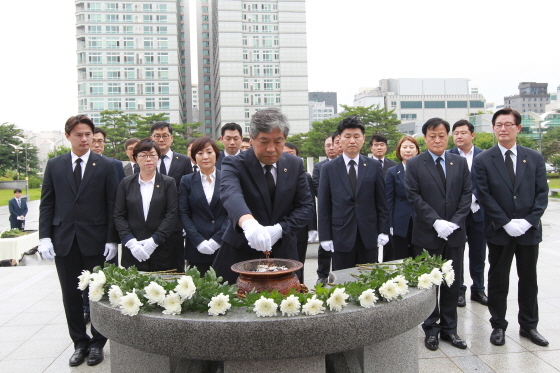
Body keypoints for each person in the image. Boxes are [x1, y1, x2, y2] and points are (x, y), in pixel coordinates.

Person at [39, 115, 119, 367]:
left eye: (88, 134)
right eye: (79, 135)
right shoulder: (55, 165)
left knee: (97, 293)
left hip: (96, 241)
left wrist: (111, 240)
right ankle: (79, 342)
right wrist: (44, 237)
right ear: (68, 137)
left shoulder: (105, 165)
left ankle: (97, 343)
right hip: (64, 241)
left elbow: (112, 206)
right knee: (71, 296)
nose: (85, 139)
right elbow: (47, 203)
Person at [212, 108, 314, 284]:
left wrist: (280, 230)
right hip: (241, 251)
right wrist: (249, 224)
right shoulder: (235, 163)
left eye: (278, 141)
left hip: (283, 252)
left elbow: (305, 207)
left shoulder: (295, 164)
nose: (271, 149)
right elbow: (231, 193)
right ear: (251, 139)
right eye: (264, 141)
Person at [474, 108, 549, 347]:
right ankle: (498, 325)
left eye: (508, 124)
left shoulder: (534, 157)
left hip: (528, 231)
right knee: (498, 280)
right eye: (498, 124)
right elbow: (484, 195)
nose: (503, 128)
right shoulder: (483, 159)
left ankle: (529, 326)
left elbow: (541, 194)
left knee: (528, 279)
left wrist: (528, 221)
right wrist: (505, 222)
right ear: (493, 128)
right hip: (499, 231)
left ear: (518, 128)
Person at [405, 117, 471, 351]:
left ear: (448, 136)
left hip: (453, 233)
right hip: (427, 234)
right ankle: (431, 329)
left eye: (442, 135)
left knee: (453, 283)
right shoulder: (415, 164)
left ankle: (450, 329)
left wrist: (453, 223)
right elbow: (413, 196)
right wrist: (435, 222)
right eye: (432, 136)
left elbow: (466, 195)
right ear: (425, 138)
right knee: (430, 283)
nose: (437, 139)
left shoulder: (459, 162)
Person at [318, 116, 390, 271]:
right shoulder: (329, 168)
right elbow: (324, 205)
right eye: (347, 136)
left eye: (356, 136)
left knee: (368, 282)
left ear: (363, 139)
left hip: (368, 233)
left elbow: (381, 201)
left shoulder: (373, 166)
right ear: (339, 139)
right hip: (340, 234)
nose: (352, 141)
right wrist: (325, 236)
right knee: (343, 283)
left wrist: (383, 230)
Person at [114, 138, 179, 271]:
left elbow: (171, 214)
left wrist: (154, 241)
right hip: (134, 250)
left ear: (158, 157)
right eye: (143, 155)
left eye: (152, 155)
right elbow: (119, 215)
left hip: (162, 250)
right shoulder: (126, 183)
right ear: (136, 158)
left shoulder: (168, 183)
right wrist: (130, 242)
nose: (148, 159)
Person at [449, 120, 487, 307]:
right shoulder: (447, 156)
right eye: (456, 133)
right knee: (457, 254)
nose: (459, 136)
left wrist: (475, 197)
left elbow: (488, 182)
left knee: (478, 253)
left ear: (472, 135)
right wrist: (464, 201)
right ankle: (459, 290)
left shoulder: (484, 156)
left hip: (479, 213)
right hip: (457, 215)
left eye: (463, 133)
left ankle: (479, 289)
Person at [178, 137, 228, 276]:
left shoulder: (227, 178)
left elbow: (232, 213)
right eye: (200, 153)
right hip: (196, 248)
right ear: (194, 158)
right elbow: (183, 213)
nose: (205, 157)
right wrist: (198, 241)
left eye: (209, 152)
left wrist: (217, 240)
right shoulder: (187, 180)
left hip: (223, 246)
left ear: (216, 155)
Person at [150, 122, 193, 271]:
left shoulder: (183, 161)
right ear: (151, 138)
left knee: (176, 267)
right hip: (151, 223)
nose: (161, 140)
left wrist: (184, 223)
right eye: (157, 136)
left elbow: (187, 193)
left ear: (171, 138)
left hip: (175, 224)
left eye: (165, 136)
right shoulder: (145, 161)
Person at [283, 142, 318, 282]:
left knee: (299, 264)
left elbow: (309, 204)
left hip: (300, 229)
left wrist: (312, 228)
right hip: (281, 228)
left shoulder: (305, 176)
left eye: (291, 153)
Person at [385, 136, 419, 260]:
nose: (408, 150)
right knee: (400, 257)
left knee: (419, 257)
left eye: (411, 147)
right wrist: (389, 223)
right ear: (399, 151)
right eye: (404, 147)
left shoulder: (423, 170)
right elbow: (388, 199)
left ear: (417, 151)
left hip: (420, 220)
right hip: (400, 221)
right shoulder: (392, 172)